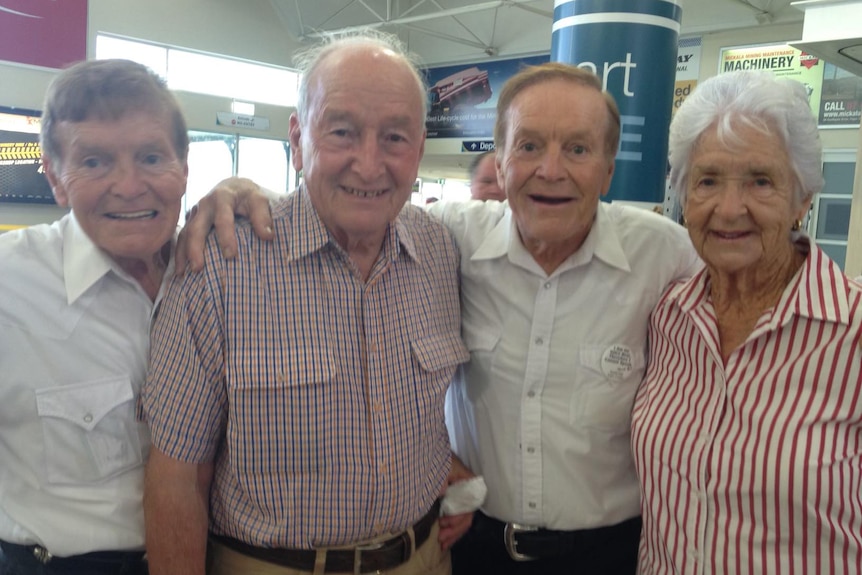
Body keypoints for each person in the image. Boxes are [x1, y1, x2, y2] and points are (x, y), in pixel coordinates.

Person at [183, 62, 702, 575]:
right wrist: (238, 189)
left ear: (609, 169)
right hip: (473, 546)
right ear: (499, 162)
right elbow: (351, 204)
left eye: (578, 149)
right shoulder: (451, 238)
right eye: (528, 146)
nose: (551, 169)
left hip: (610, 553)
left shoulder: (665, 255)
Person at [141, 33, 471, 575]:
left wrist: (449, 465)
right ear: (298, 138)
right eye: (342, 132)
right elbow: (178, 477)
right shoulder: (219, 264)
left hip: (424, 557)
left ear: (418, 147)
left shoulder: (439, 252)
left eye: (394, 137)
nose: (368, 165)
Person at [631, 71, 862, 573]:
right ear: (684, 197)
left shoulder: (853, 334)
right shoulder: (666, 317)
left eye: (760, 181)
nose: (729, 209)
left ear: (803, 199)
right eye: (708, 181)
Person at [0, 59, 190, 575]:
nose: (129, 186)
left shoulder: (224, 267)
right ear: (56, 179)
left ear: (184, 167)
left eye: (152, 157)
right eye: (94, 162)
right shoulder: (9, 285)